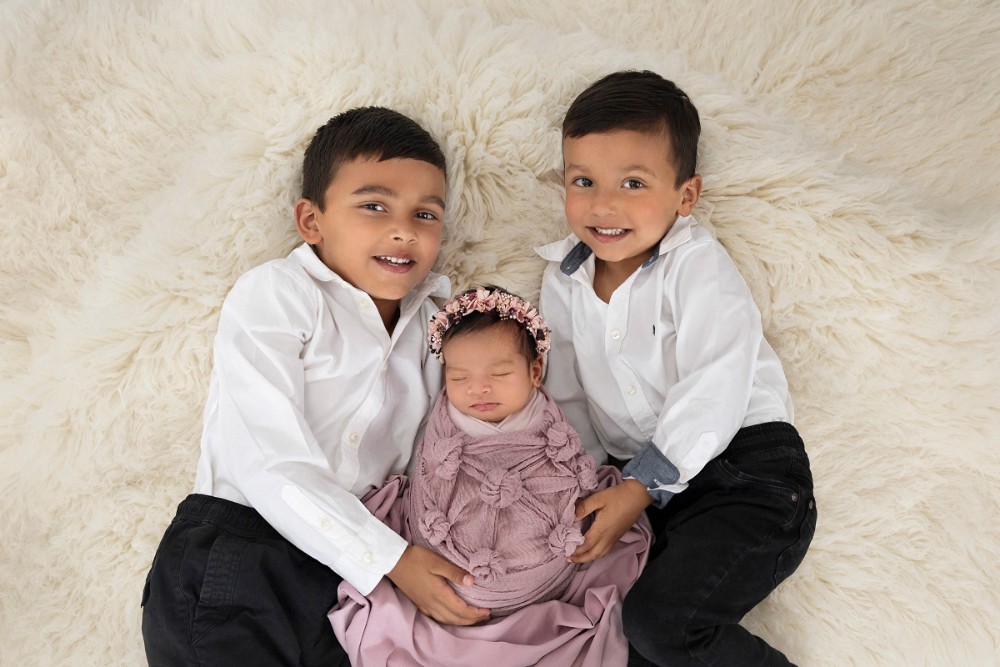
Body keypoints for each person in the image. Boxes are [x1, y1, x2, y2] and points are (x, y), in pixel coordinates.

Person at [140, 106, 491, 667]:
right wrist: (390, 559)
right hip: (242, 554)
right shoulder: (279, 293)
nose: (404, 230)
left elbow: (438, 452)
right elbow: (267, 457)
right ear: (311, 221)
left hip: (347, 585)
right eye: (374, 206)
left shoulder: (435, 329)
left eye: (426, 214)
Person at [536, 70, 818, 666]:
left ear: (685, 196)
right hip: (639, 488)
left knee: (663, 623)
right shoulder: (562, 281)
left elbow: (716, 381)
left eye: (633, 183)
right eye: (583, 181)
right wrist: (588, 485)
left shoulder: (695, 267)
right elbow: (568, 396)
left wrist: (642, 485)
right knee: (623, 642)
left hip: (746, 472)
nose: (603, 205)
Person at [329, 286, 651, 666]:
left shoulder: (549, 425)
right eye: (459, 377)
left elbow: (570, 476)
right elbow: (430, 479)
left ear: (535, 372)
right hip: (446, 578)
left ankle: (521, 603)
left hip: (546, 580)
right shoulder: (443, 423)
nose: (478, 388)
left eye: (499, 373)